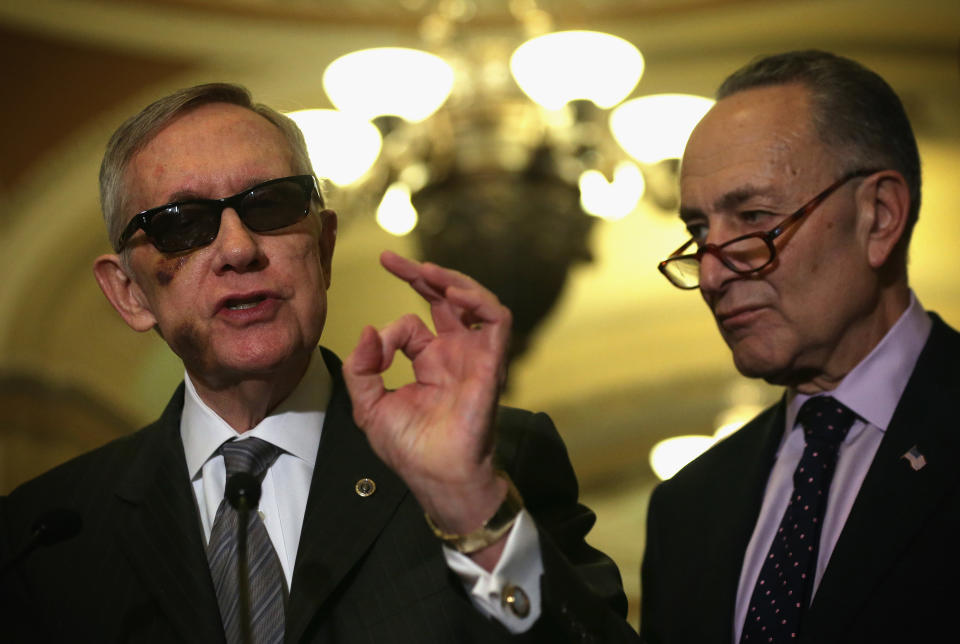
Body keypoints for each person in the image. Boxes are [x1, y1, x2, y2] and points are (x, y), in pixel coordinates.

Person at [0, 83, 638, 642]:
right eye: (182, 223)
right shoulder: (49, 529)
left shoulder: (497, 461)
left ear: (325, 248)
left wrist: (474, 512)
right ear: (128, 293)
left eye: (270, 205)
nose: (239, 248)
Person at [640, 49, 959, 643]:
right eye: (697, 233)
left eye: (755, 217)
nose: (710, 276)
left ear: (880, 216)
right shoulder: (687, 508)